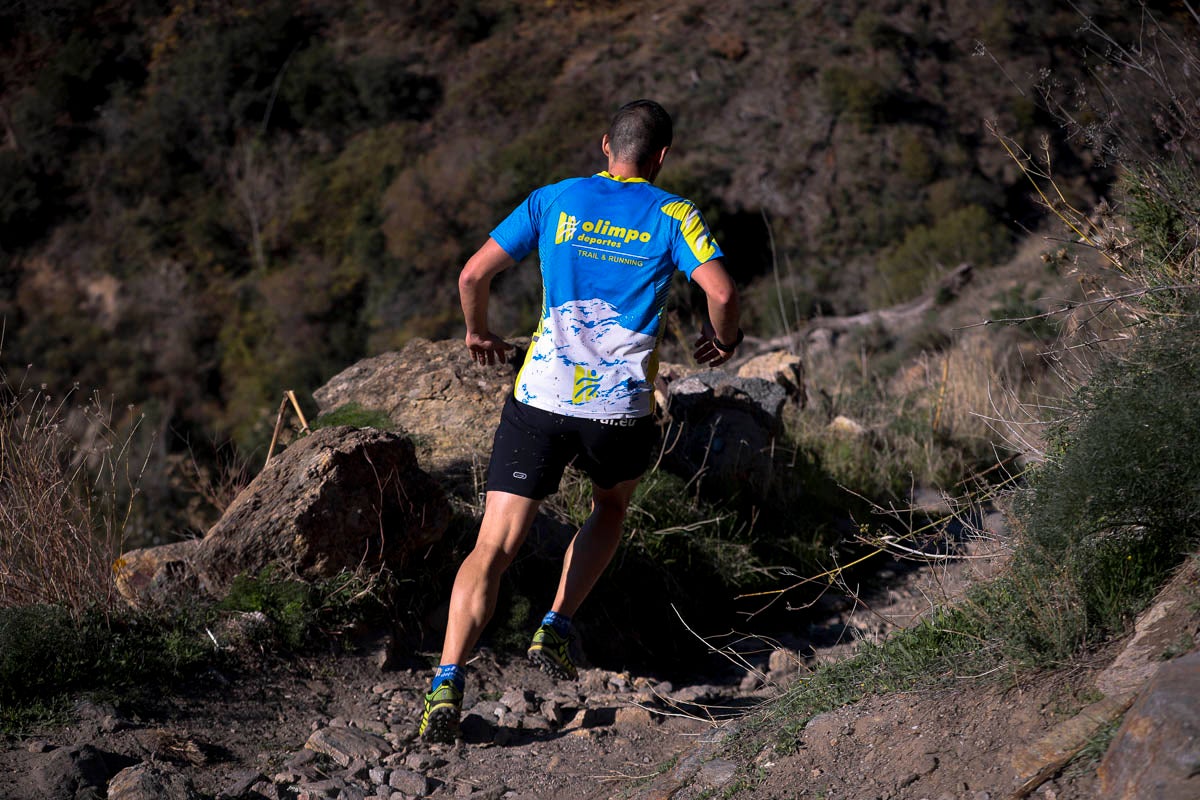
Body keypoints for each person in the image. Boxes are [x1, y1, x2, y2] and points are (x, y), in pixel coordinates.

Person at [419, 99, 742, 743]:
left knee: (494, 546)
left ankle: (447, 679)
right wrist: (722, 341)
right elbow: (725, 292)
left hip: (541, 394)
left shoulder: (553, 198)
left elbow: (472, 273)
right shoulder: (674, 214)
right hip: (617, 411)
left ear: (604, 145)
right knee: (611, 507)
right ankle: (557, 625)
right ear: (661, 157)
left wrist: (478, 332)